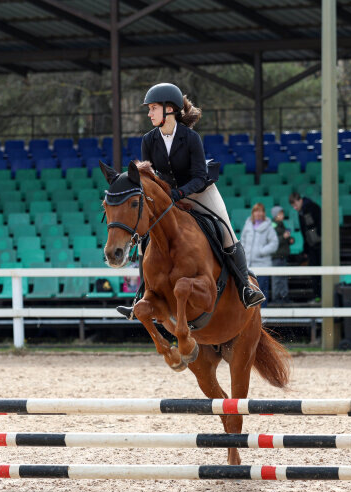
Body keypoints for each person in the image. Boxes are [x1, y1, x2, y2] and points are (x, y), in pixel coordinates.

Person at [116, 83, 265, 318]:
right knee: (148, 237)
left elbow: (199, 177)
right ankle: (140, 295)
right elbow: (150, 178)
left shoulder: (191, 138)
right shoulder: (148, 140)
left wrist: (178, 194)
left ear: (169, 110)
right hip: (167, 196)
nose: (149, 113)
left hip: (199, 191)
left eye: (153, 108)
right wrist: (164, 197)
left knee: (226, 231)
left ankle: (245, 288)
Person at [240, 203, 278, 304]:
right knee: (250, 293)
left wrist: (261, 251)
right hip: (248, 265)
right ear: (253, 213)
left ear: (264, 213)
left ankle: (262, 316)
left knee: (261, 293)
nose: (258, 213)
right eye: (256, 211)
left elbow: (274, 243)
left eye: (261, 211)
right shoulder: (247, 225)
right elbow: (242, 241)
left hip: (263, 265)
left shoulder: (269, 227)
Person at [289, 192, 322, 299]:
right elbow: (304, 232)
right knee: (314, 272)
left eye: (295, 205)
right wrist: (306, 249)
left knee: (320, 271)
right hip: (312, 246)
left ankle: (321, 295)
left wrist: (318, 236)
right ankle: (317, 295)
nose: (295, 208)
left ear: (300, 200)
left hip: (320, 245)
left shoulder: (314, 208)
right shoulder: (301, 212)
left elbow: (320, 224)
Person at [269, 205, 294, 304]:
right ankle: (276, 297)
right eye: (280, 213)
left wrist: (290, 239)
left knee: (283, 277)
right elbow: (273, 241)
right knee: (277, 278)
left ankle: (284, 296)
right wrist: (284, 237)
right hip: (276, 256)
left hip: (282, 255)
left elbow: (282, 240)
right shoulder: (272, 226)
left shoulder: (281, 225)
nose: (282, 215)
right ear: (276, 215)